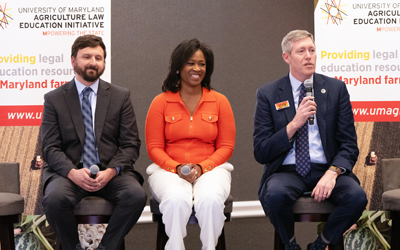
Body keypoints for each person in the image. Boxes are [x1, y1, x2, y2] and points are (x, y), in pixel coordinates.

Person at [253, 30, 368, 250]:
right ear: (287, 57)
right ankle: (290, 245)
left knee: (356, 197)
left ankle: (320, 245)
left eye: (312, 50)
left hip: (327, 168)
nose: (309, 56)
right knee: (275, 195)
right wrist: (293, 125)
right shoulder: (268, 94)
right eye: (301, 51)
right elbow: (261, 151)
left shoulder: (335, 89)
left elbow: (349, 144)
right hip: (287, 172)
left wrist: (333, 172)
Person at [41, 35, 147, 250]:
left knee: (136, 196)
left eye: (99, 57)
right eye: (86, 56)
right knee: (54, 200)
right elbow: (50, 147)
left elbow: (130, 144)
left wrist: (111, 171)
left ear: (104, 63)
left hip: (110, 174)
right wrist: (72, 172)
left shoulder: (120, 96)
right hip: (70, 174)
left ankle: (105, 248)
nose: (93, 62)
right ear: (73, 61)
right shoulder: (54, 99)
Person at [145, 38, 235, 250]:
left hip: (211, 169)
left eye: (202, 64)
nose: (197, 68)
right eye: (190, 63)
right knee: (176, 200)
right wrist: (176, 168)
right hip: (168, 170)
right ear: (178, 67)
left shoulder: (220, 101)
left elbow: (226, 147)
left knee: (211, 200)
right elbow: (154, 148)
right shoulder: (161, 102)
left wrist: (202, 167)